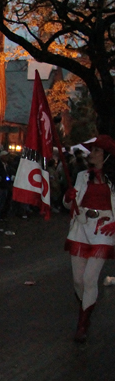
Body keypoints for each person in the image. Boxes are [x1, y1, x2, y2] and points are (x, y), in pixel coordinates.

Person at [63, 135, 115, 342]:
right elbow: (70, 204)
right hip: (81, 227)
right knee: (78, 280)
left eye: (96, 150)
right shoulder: (82, 176)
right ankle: (86, 309)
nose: (91, 154)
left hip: (104, 230)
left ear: (106, 156)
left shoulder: (113, 180)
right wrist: (68, 198)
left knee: (89, 278)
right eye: (91, 150)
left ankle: (82, 325)